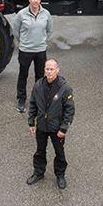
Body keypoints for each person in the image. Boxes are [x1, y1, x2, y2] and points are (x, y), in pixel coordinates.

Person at [26, 59, 74, 190]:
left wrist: (63, 129)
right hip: (42, 126)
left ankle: (60, 175)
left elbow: (69, 110)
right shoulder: (38, 85)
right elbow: (33, 104)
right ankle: (38, 172)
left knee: (59, 153)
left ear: (57, 70)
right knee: (40, 151)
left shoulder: (65, 88)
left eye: (52, 69)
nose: (49, 72)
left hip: (57, 128)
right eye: (47, 69)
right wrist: (31, 122)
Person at [11, 0, 53, 113]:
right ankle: (21, 100)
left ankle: (37, 99)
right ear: (29, 0)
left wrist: (42, 41)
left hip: (40, 50)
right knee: (23, 75)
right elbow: (16, 31)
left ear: (40, 0)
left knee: (40, 77)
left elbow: (49, 30)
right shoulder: (21, 14)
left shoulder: (46, 14)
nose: (35, 1)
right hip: (25, 50)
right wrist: (23, 42)